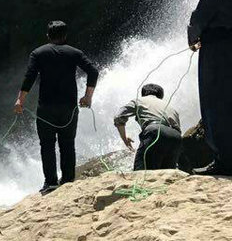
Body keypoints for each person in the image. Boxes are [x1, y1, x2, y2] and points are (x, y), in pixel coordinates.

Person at [14, 20, 100, 194]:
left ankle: (51, 183)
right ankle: (68, 181)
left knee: (47, 144)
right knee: (67, 144)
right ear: (65, 35)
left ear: (48, 35)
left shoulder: (38, 53)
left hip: (46, 107)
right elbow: (93, 71)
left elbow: (29, 77)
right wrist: (87, 96)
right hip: (69, 108)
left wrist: (20, 100)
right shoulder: (75, 53)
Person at [187, 0, 232, 176]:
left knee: (215, 103)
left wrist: (192, 39)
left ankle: (223, 160)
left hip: (217, 51)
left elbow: (198, 20)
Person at [114, 83, 183, 170]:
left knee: (142, 171)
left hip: (154, 132)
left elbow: (118, 116)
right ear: (161, 96)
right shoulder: (171, 107)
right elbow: (178, 130)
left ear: (143, 94)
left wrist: (124, 138)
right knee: (167, 174)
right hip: (175, 137)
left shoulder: (139, 100)